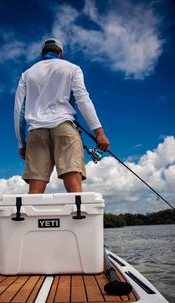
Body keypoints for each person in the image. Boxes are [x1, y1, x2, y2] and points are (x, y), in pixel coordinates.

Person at [14, 38, 109, 194]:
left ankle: (29, 217)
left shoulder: (27, 74)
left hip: (36, 133)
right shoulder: (72, 68)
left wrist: (21, 144)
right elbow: (83, 99)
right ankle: (78, 216)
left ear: (42, 53)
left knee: (35, 187)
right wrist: (99, 133)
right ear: (61, 53)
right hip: (65, 128)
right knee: (73, 184)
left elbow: (19, 111)